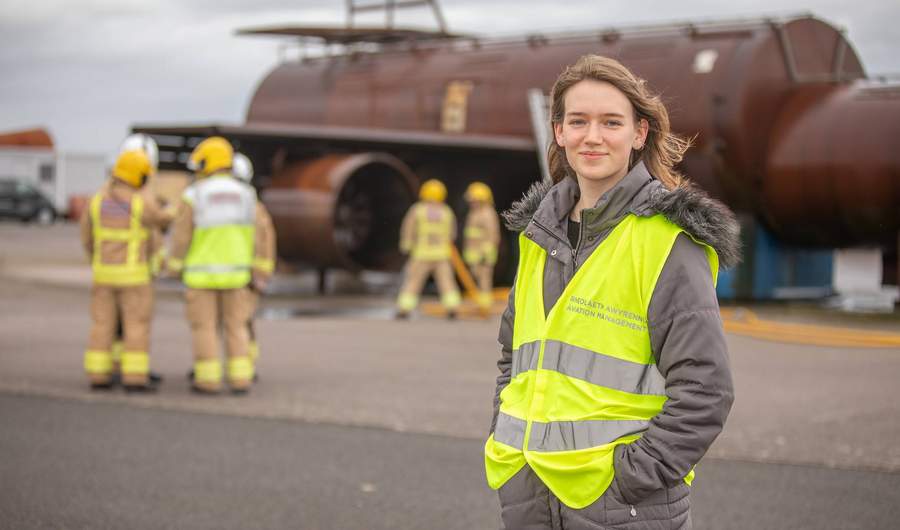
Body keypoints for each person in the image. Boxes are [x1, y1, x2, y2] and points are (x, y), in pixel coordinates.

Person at [483, 55, 741, 529]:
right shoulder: (537, 235)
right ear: (558, 131)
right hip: (528, 497)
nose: (593, 136)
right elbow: (512, 357)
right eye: (578, 121)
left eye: (611, 122)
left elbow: (706, 389)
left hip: (621, 507)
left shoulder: (668, 242)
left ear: (639, 133)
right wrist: (506, 440)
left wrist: (631, 478)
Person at [167, 137, 271, 394]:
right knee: (236, 328)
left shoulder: (194, 195)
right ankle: (240, 379)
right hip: (237, 277)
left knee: (205, 328)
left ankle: (207, 380)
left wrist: (175, 266)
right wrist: (259, 269)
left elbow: (182, 236)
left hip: (201, 277)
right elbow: (261, 233)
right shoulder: (247, 196)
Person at [80, 148, 174, 392]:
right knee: (136, 327)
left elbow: (86, 238)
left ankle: (99, 375)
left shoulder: (97, 200)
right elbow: (162, 220)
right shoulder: (140, 201)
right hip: (134, 278)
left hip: (103, 275)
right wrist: (174, 207)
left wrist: (96, 261)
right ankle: (134, 379)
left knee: (102, 326)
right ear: (138, 175)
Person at [232, 152, 276, 374]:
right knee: (241, 323)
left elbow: (264, 242)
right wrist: (262, 274)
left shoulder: (252, 208)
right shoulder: (254, 207)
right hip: (243, 275)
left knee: (235, 323)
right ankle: (244, 365)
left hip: (239, 276)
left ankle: (244, 364)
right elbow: (266, 242)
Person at [395, 179, 461, 320]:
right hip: (442, 254)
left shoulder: (417, 210)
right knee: (447, 282)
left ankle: (404, 308)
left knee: (413, 282)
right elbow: (452, 233)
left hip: (421, 254)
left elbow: (408, 229)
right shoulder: (446, 212)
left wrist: (406, 246)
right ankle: (452, 307)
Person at [462, 181, 500, 315]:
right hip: (475, 255)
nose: (472, 203)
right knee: (478, 279)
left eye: (475, 200)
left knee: (484, 280)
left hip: (483, 255)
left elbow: (492, 236)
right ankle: (480, 304)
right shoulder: (474, 213)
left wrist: (485, 254)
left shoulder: (487, 214)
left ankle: (484, 307)